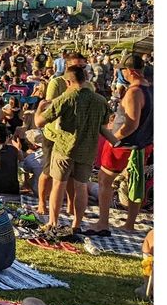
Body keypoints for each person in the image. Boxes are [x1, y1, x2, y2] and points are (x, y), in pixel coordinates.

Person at [34, 65, 113, 236]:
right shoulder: (100, 100)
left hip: (64, 148)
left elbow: (39, 122)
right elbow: (104, 127)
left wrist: (39, 108)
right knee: (81, 187)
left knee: (58, 185)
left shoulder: (66, 98)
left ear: (68, 82)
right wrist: (116, 142)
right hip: (87, 150)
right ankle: (76, 224)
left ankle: (53, 222)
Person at [90, 54, 153, 236]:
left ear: (130, 71)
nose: (121, 73)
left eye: (122, 70)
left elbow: (131, 124)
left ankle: (103, 222)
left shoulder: (134, 92)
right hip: (143, 143)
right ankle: (130, 223)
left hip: (124, 144)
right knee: (135, 182)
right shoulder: (151, 88)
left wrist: (113, 139)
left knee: (104, 180)